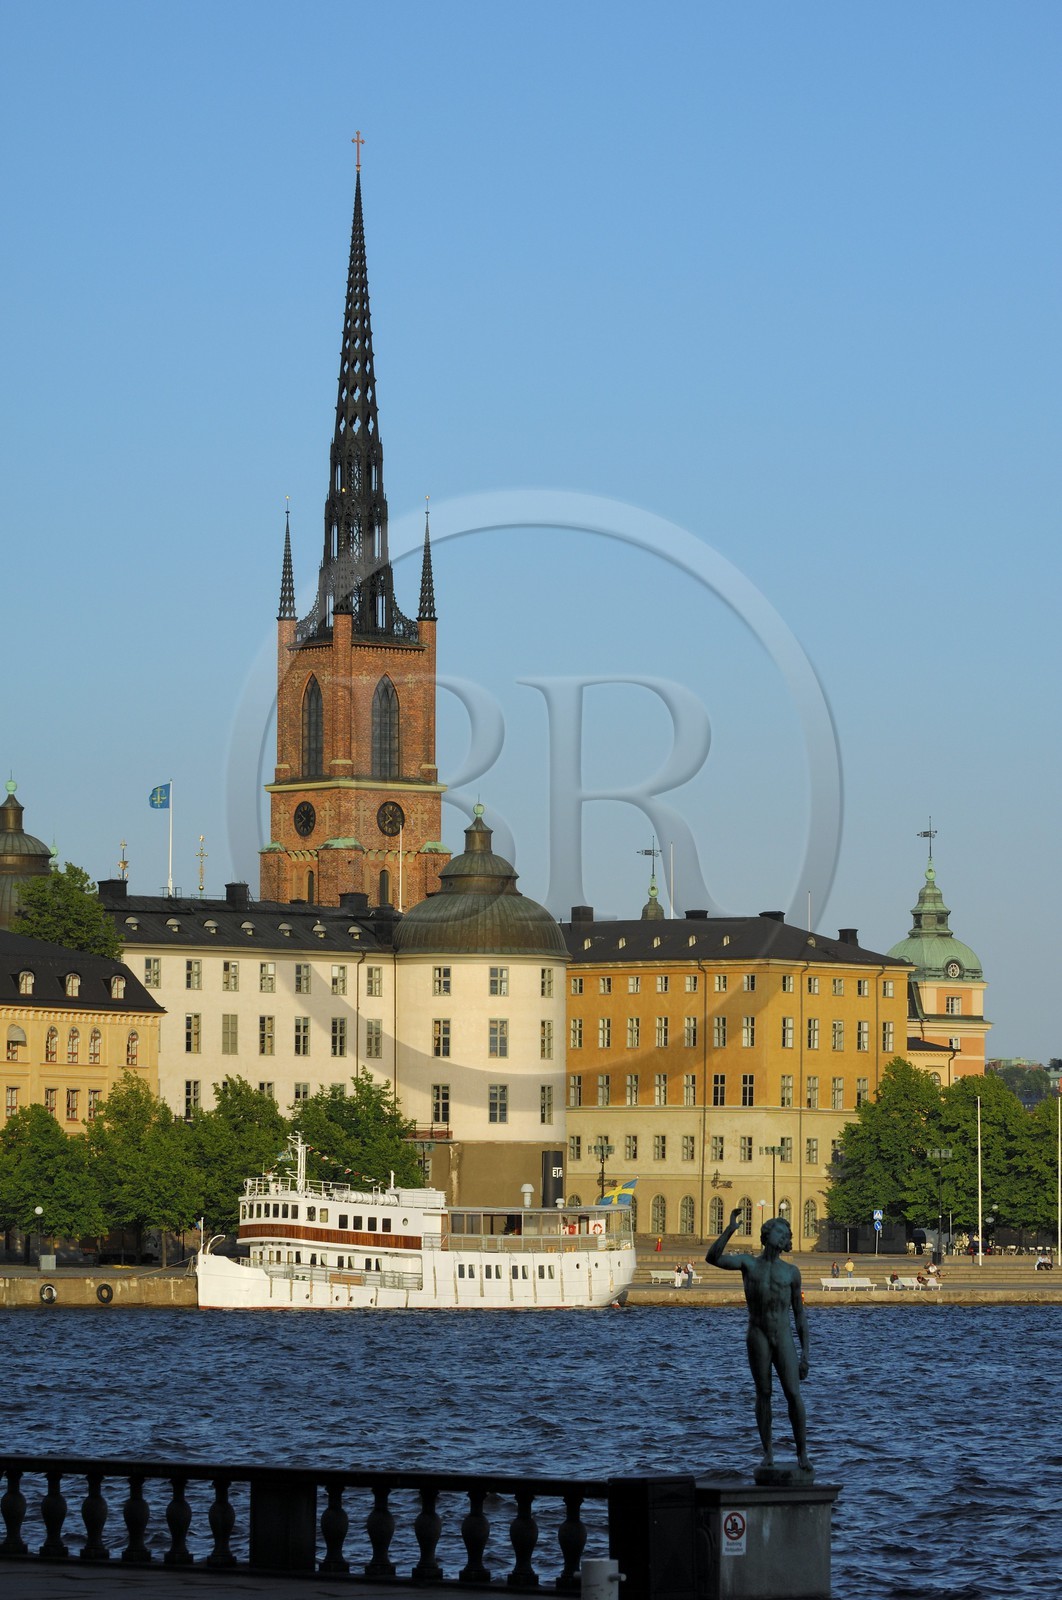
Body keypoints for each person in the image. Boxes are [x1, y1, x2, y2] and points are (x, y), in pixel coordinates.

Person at [706, 1207, 811, 1473]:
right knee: (763, 1393)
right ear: (767, 1235)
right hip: (757, 1335)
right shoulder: (748, 1263)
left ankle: (802, 1452)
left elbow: (800, 1316)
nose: (783, 1236)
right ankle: (768, 1452)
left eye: (786, 1233)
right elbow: (712, 1258)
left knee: (793, 1394)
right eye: (779, 1231)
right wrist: (730, 1229)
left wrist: (805, 1354)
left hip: (783, 1336)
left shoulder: (791, 1272)